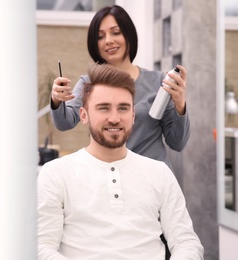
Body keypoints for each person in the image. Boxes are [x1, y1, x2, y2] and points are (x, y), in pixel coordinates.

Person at [37, 64, 204, 260]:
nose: (114, 118)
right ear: (84, 115)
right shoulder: (56, 173)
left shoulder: (159, 173)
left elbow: (186, 242)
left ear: (133, 116)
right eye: (103, 108)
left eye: (123, 108)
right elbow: (41, 246)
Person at [50, 5, 190, 167]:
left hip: (151, 180)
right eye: (100, 36)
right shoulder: (89, 83)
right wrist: (56, 100)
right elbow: (64, 123)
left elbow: (177, 143)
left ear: (128, 35)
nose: (108, 40)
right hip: (109, 177)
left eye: (116, 32)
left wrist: (180, 105)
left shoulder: (159, 81)